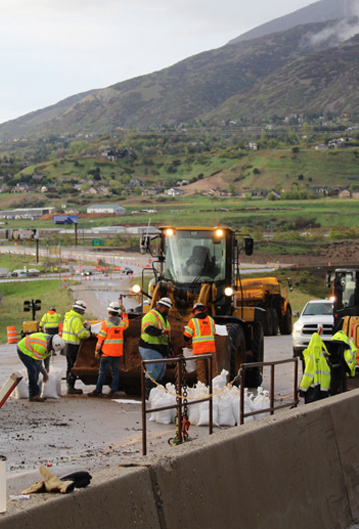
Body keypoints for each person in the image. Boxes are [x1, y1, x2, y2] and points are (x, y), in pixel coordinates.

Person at [88, 301, 129, 398]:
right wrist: (124, 313)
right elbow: (127, 323)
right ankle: (113, 391)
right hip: (117, 353)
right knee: (115, 372)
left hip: (106, 353)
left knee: (102, 373)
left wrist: (97, 349)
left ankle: (98, 390)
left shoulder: (106, 324)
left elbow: (101, 338)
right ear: (118, 312)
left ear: (109, 312)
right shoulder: (122, 324)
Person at [139, 297, 172, 399]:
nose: (168, 311)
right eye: (167, 308)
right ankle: (148, 394)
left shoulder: (163, 318)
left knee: (160, 372)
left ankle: (155, 394)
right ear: (161, 307)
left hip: (159, 348)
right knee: (153, 371)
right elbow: (148, 329)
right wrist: (160, 332)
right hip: (150, 347)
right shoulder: (151, 316)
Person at [17, 333, 65, 402]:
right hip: (23, 350)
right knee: (33, 370)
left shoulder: (49, 342)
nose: (53, 350)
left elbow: (47, 355)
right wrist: (45, 375)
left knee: (36, 370)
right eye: (53, 349)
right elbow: (38, 364)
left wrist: (47, 367)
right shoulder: (42, 346)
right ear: (52, 344)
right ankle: (33, 395)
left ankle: (37, 394)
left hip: (31, 348)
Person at [183, 302, 219, 385]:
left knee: (201, 373)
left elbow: (186, 336)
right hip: (211, 350)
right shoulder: (211, 320)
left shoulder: (193, 321)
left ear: (195, 311)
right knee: (213, 371)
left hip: (199, 351)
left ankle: (202, 390)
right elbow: (214, 333)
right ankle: (215, 388)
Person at [62, 300, 91, 395]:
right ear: (80, 310)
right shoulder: (76, 320)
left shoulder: (68, 317)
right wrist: (89, 333)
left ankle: (69, 386)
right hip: (73, 346)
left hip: (66, 345)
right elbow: (81, 334)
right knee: (72, 367)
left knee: (69, 366)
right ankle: (71, 387)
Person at [299, 332, 331, 404]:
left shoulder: (309, 357)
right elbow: (326, 376)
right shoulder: (323, 359)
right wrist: (325, 390)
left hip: (311, 389)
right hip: (321, 390)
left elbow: (307, 374)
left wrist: (302, 389)